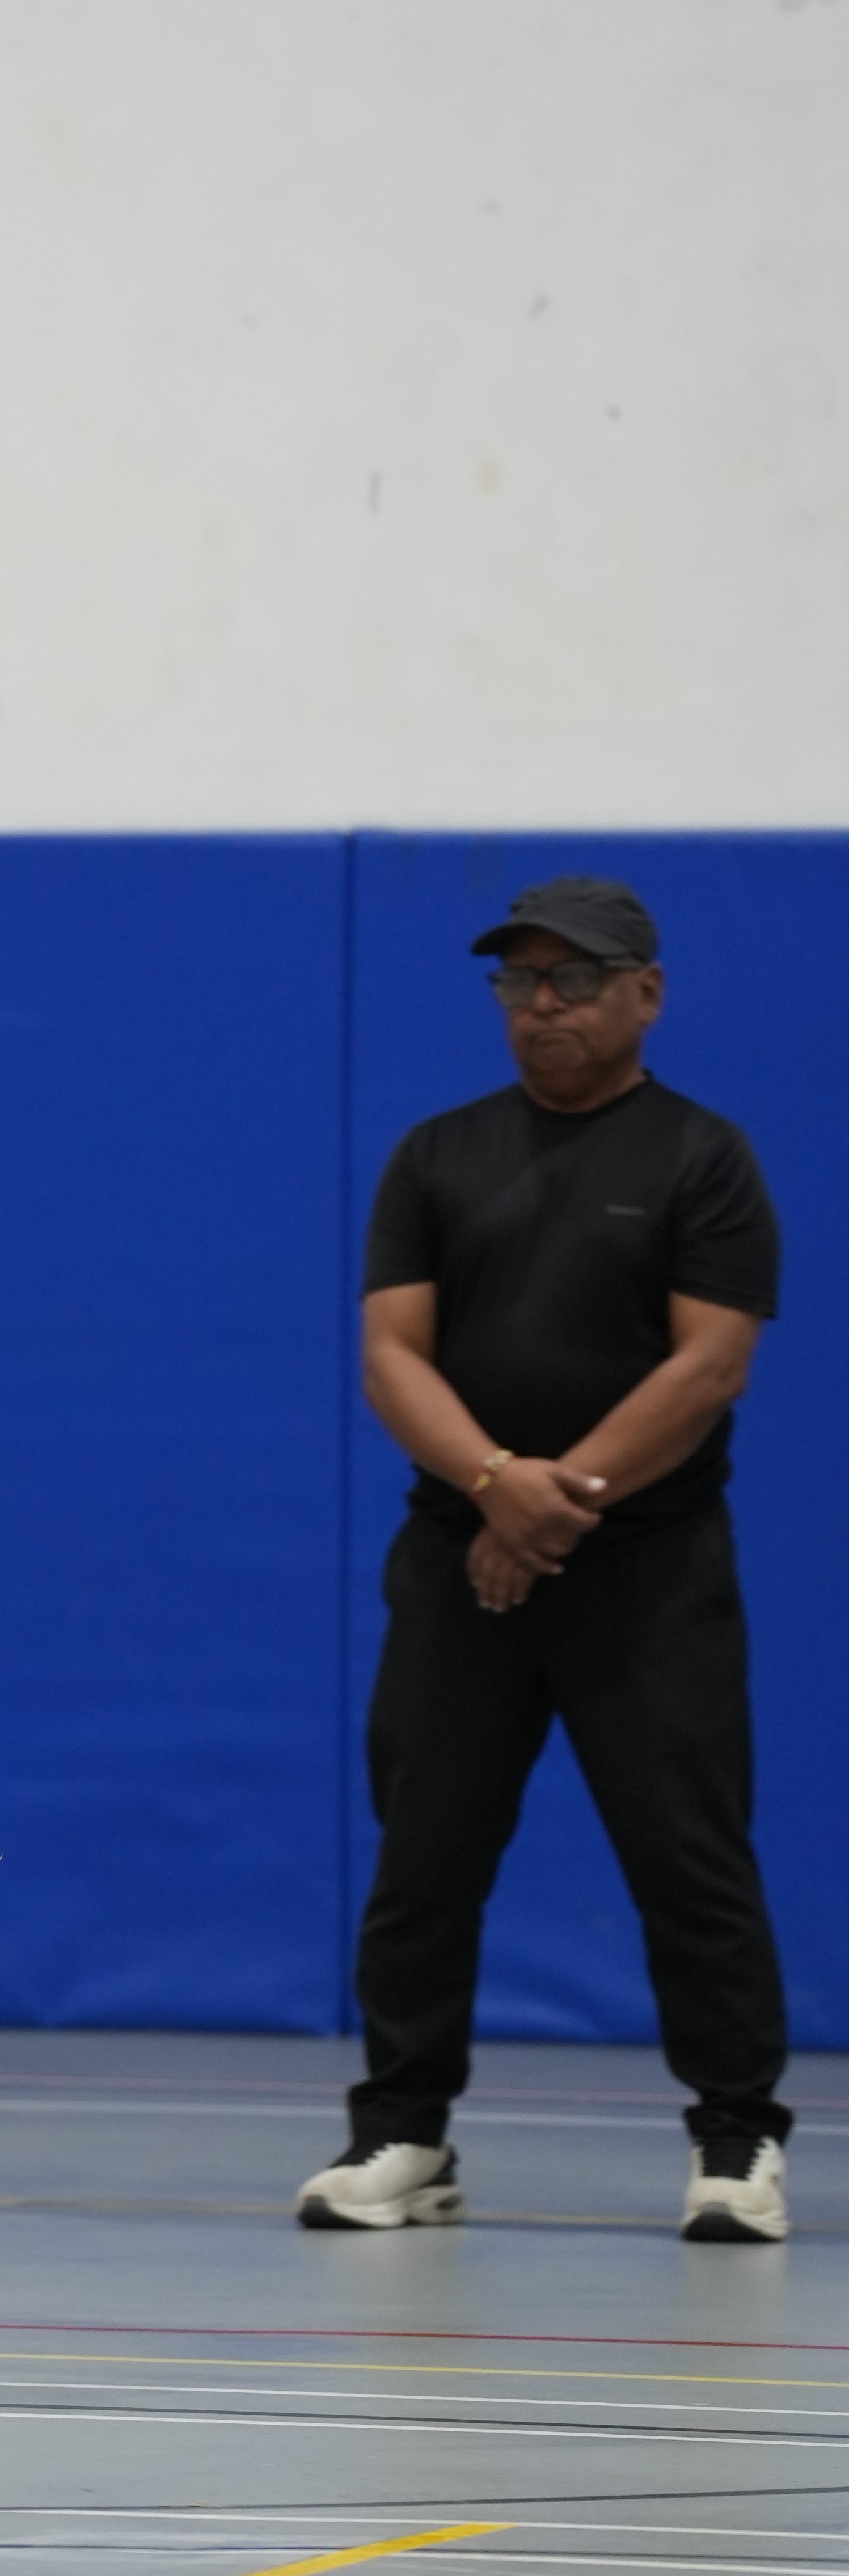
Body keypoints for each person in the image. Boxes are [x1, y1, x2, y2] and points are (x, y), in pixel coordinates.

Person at [298, 877, 790, 2244]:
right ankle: (404, 2134)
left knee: (687, 1855)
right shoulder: (436, 1156)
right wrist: (492, 1487)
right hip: (460, 1561)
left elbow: (710, 1365)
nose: (543, 1006)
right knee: (425, 1856)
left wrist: (552, 1502)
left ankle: (737, 2142)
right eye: (520, 982)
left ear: (646, 993)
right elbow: (392, 1353)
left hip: (649, 1572)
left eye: (574, 980)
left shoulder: (702, 1158)